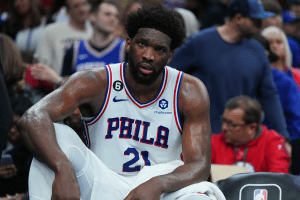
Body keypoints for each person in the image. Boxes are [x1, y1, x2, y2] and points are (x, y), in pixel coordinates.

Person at [17, 4, 225, 200]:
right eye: (142, 44)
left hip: (162, 184)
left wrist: (158, 184)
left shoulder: (188, 90)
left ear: (170, 56)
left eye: (159, 50)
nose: (148, 55)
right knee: (55, 137)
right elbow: (32, 118)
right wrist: (62, 168)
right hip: (102, 179)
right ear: (128, 44)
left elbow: (199, 164)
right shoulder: (95, 81)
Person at [169, 0, 290, 142]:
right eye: (255, 20)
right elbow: (168, 79)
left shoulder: (257, 50)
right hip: (199, 137)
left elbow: (269, 96)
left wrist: (283, 137)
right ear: (238, 19)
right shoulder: (200, 43)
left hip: (240, 140)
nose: (261, 25)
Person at [211, 95, 290, 173]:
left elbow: (279, 175)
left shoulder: (272, 141)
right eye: (224, 121)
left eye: (232, 125)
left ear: (252, 128)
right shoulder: (214, 142)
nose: (224, 128)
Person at [61, 0, 125, 76]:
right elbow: (65, 85)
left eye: (116, 16)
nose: (113, 19)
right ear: (92, 16)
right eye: (107, 14)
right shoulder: (75, 50)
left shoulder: (125, 49)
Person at [35, 0, 93, 75]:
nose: (82, 9)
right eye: (76, 6)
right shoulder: (51, 31)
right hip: (58, 83)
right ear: (67, 12)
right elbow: (43, 63)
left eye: (84, 4)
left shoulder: (94, 33)